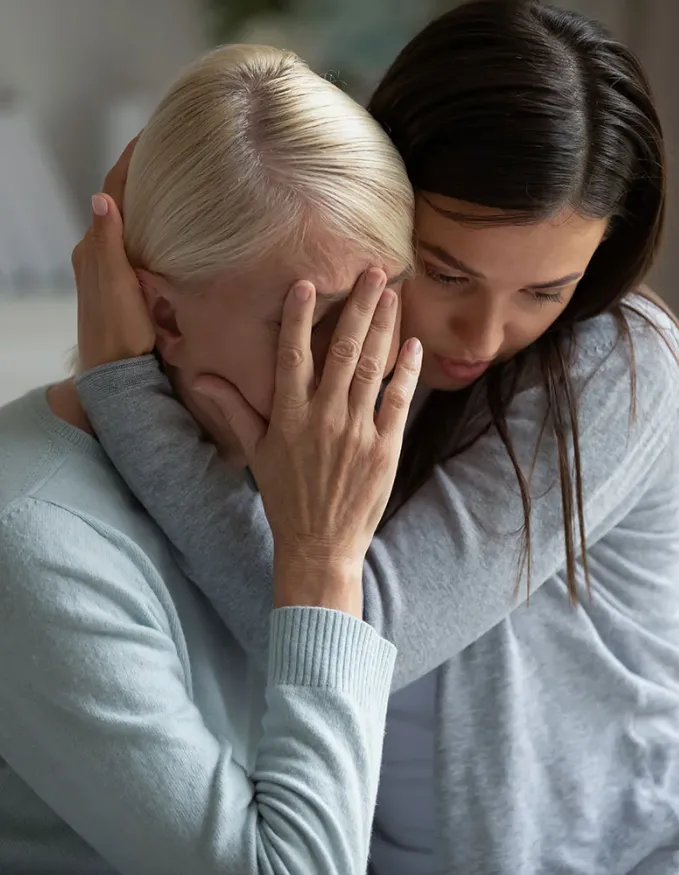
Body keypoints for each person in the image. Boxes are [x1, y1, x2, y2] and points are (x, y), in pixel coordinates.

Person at [68, 1, 679, 873]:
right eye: (447, 273)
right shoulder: (300, 360)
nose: (482, 336)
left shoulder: (618, 363)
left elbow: (332, 632)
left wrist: (124, 385)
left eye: (544, 291)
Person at [0, 44, 421, 874]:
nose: (364, 363)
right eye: (315, 320)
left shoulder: (271, 461)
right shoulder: (32, 542)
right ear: (166, 312)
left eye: (384, 305)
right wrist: (322, 561)